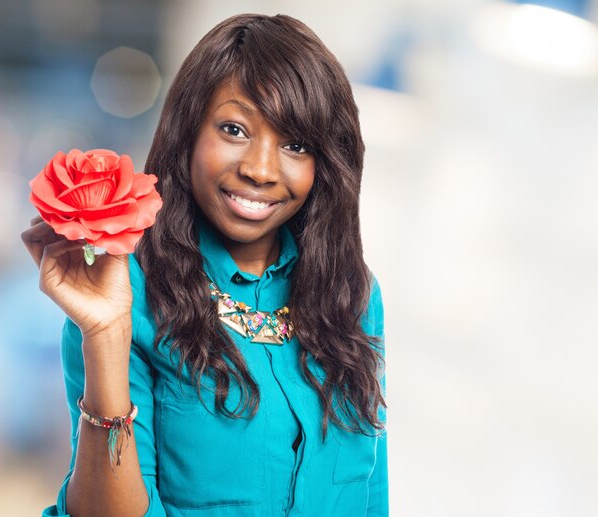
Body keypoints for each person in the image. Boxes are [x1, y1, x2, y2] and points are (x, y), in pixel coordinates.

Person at [21, 13, 388, 517]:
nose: (260, 169)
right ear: (188, 132)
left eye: (295, 144)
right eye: (235, 129)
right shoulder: (125, 293)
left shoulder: (353, 296)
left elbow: (370, 496)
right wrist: (106, 336)